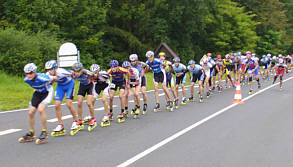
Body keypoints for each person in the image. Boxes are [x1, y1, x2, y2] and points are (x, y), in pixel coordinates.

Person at [18, 63, 54, 144]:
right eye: (27, 73)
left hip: (47, 92)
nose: (29, 75)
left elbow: (54, 78)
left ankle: (44, 132)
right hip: (37, 93)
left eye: (30, 73)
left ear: (35, 72)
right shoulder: (26, 79)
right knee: (30, 112)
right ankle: (31, 132)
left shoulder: (43, 77)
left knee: (41, 110)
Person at [45, 60, 78, 137]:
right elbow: (50, 82)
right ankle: (60, 125)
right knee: (56, 105)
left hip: (70, 85)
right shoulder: (48, 74)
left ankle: (75, 121)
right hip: (60, 87)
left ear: (55, 68)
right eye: (47, 70)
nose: (49, 71)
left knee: (68, 103)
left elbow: (72, 73)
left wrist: (74, 76)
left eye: (50, 69)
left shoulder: (61, 71)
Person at [72, 62, 96, 133]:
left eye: (78, 71)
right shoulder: (73, 74)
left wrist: (94, 76)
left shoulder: (86, 72)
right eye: (75, 71)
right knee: (79, 103)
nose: (77, 73)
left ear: (81, 70)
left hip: (90, 86)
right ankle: (79, 120)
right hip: (82, 86)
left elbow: (95, 75)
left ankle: (93, 119)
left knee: (89, 103)